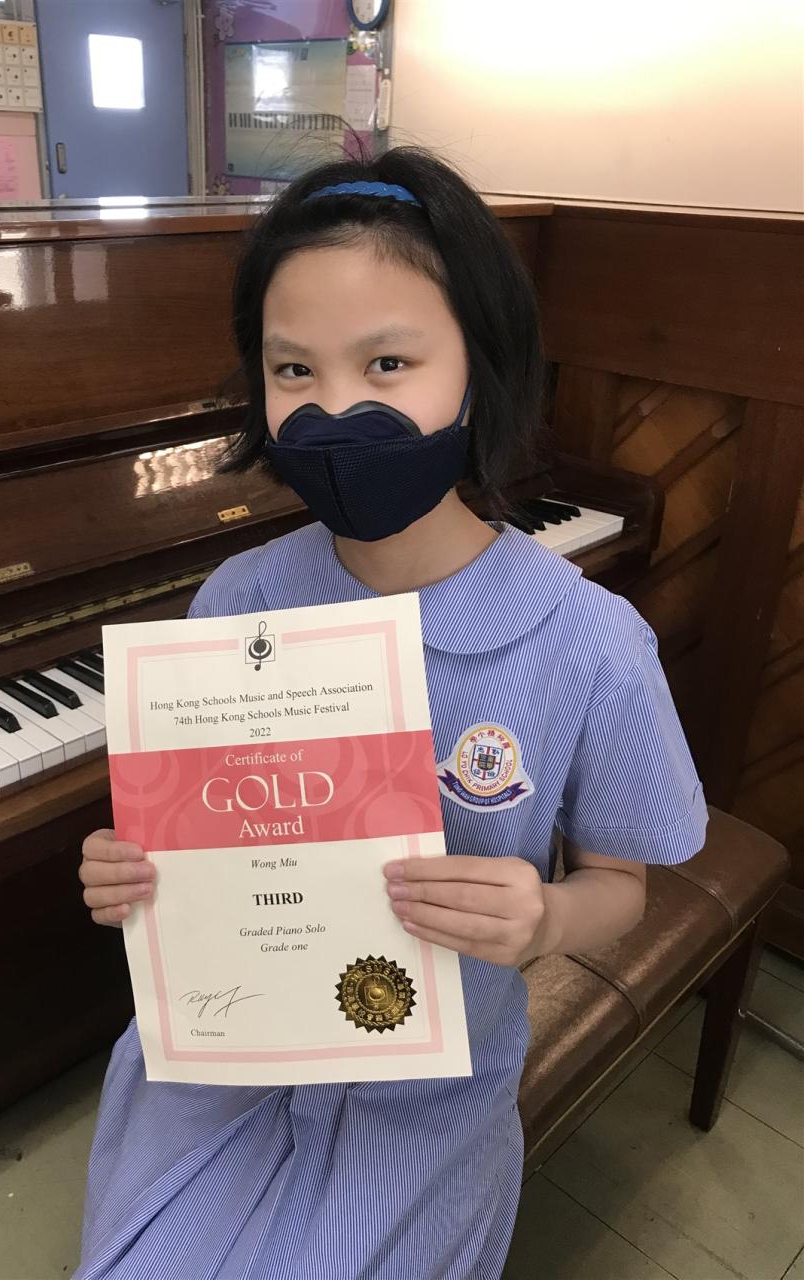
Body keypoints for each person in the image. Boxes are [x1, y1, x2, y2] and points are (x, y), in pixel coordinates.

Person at [74, 148, 708, 1280]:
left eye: (388, 362)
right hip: (224, 1054)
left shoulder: (589, 643)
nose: (334, 411)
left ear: (480, 369)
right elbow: (204, 844)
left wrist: (546, 919)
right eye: (293, 368)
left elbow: (623, 884)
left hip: (427, 1087)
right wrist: (135, 872)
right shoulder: (236, 600)